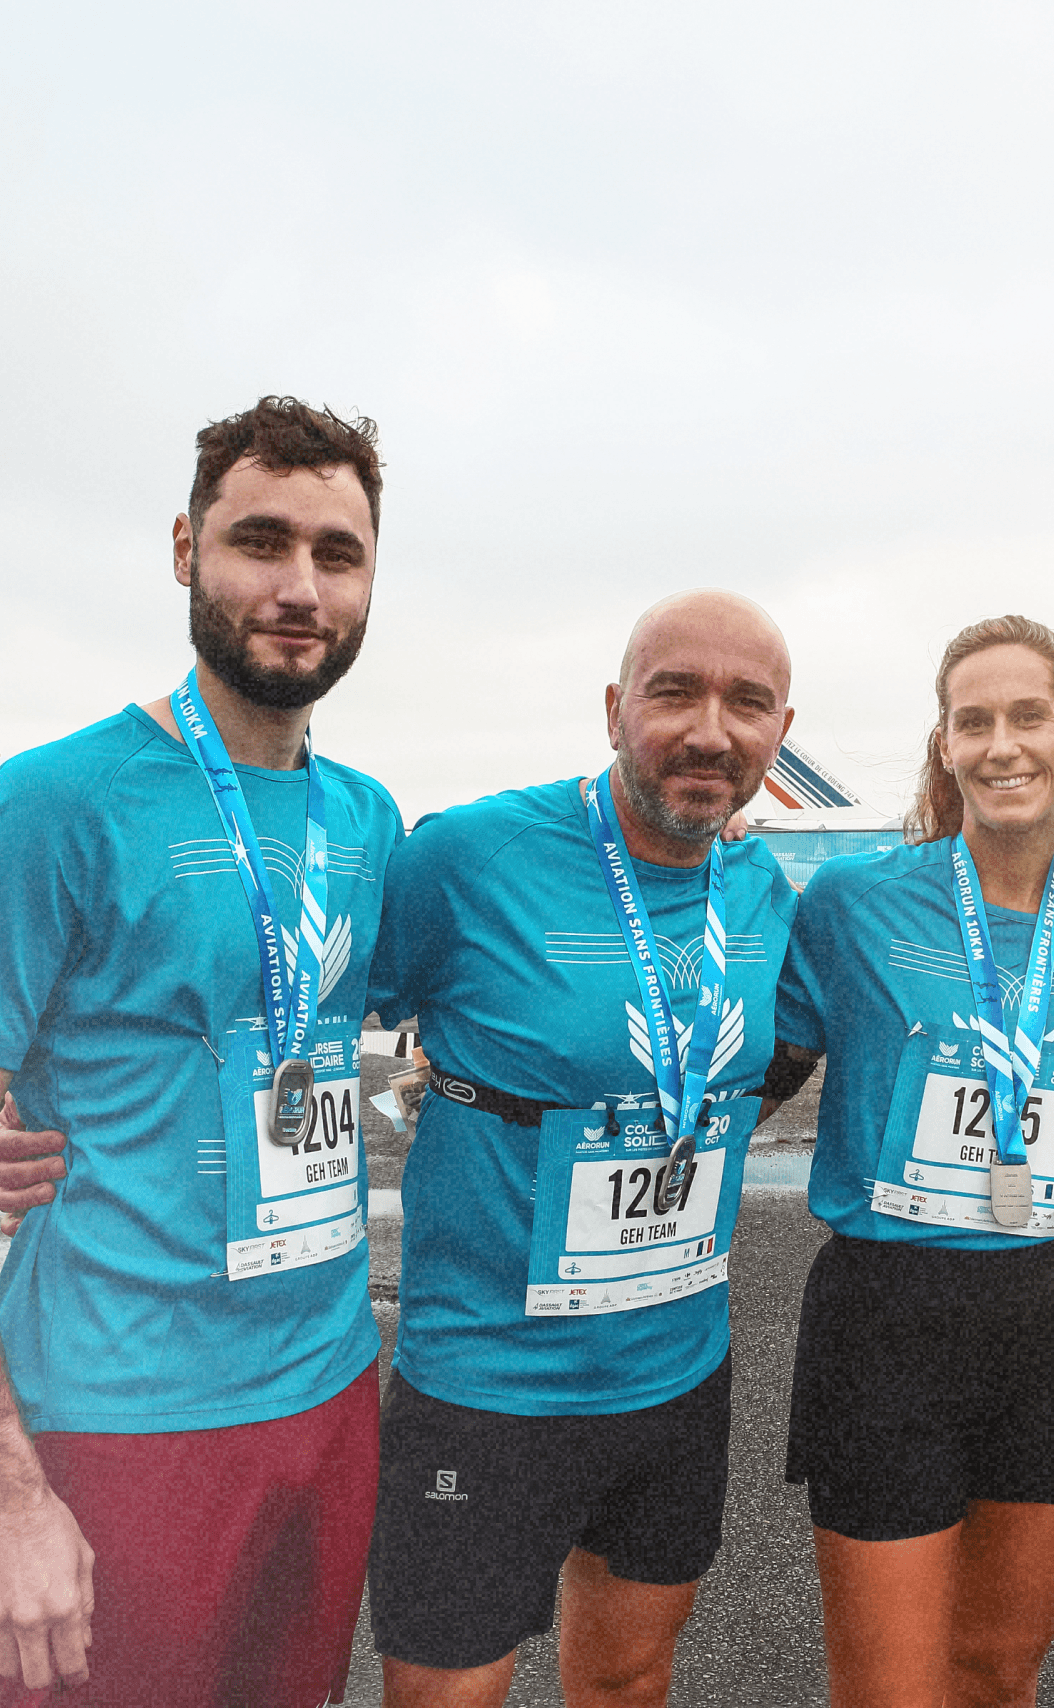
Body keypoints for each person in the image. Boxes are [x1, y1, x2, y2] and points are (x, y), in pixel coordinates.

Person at [0, 398, 401, 1707]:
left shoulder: (365, 819)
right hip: (119, 1417)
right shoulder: (51, 803)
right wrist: (9, 1497)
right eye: (259, 541)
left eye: (336, 553)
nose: (299, 588)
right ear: (186, 550)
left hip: (329, 1387)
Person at [363, 589, 798, 1708]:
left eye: (747, 703)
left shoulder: (759, 887)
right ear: (614, 709)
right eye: (675, 694)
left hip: (678, 1376)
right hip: (486, 1386)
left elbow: (786, 1054)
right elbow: (304, 1015)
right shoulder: (467, 857)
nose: (711, 730)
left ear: (780, 731)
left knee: (630, 1679)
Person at [764, 615, 1054, 1708]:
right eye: (972, 721)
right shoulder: (853, 902)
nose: (1001, 745)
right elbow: (760, 1073)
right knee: (891, 1690)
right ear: (944, 746)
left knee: (996, 1673)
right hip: (887, 1311)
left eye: (1027, 716)